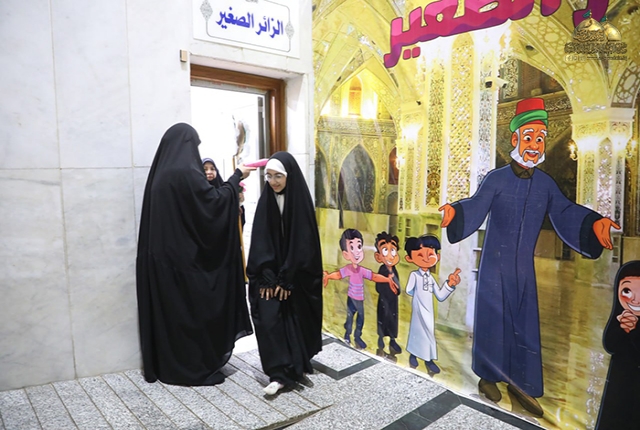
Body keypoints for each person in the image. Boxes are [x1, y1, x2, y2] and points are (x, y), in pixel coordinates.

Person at [439, 97, 620, 417]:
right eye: (529, 137)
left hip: (523, 268)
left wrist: (594, 224)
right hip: (494, 266)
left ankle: (521, 383)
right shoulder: (496, 179)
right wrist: (456, 212)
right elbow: (476, 204)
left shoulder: (545, 184)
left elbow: (565, 212)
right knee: (493, 319)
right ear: (515, 139)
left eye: (540, 139)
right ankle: (489, 376)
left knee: (523, 323)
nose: (535, 145)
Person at [136, 123, 255, 386]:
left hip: (163, 263)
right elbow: (212, 204)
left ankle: (170, 366)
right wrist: (237, 176)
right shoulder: (186, 173)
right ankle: (192, 369)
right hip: (187, 263)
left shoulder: (160, 174)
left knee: (173, 315)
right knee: (193, 313)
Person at [247, 152, 324, 396]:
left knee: (296, 317)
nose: (273, 181)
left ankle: (295, 367)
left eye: (278, 176)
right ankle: (278, 374)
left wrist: (288, 277)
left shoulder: (300, 203)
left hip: (296, 273)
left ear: (289, 175)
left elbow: (304, 244)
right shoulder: (266, 201)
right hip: (269, 274)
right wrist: (268, 274)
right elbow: (260, 240)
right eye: (268, 176)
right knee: (268, 318)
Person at [323, 229, 398, 349]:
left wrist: (387, 280)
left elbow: (374, 276)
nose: (356, 252)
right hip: (351, 299)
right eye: (352, 248)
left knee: (360, 319)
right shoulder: (348, 269)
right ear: (346, 254)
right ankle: (347, 334)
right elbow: (338, 274)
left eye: (359, 247)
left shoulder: (362, 270)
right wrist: (328, 276)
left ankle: (357, 336)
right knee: (350, 318)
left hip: (360, 300)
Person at [404, 235, 460, 374]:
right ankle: (413, 355)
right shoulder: (414, 276)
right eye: (420, 255)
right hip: (418, 310)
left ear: (437, 257)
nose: (426, 258)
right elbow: (409, 290)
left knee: (429, 334)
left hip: (429, 311)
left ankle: (429, 360)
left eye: (430, 254)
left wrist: (450, 284)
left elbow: (440, 295)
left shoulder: (430, 278)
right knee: (416, 332)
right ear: (410, 258)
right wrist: (419, 297)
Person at [595, 260, 640, 429]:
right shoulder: (620, 317)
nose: (635, 300)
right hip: (620, 378)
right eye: (627, 291)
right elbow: (610, 345)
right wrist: (622, 329)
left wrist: (634, 331)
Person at [373, 232, 402, 355]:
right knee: (383, 319)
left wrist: (396, 289)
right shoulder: (382, 269)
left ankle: (392, 341)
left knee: (392, 321)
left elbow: (398, 286)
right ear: (379, 256)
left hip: (393, 301)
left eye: (393, 251)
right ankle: (381, 339)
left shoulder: (394, 270)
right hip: (384, 300)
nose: (390, 255)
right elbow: (378, 286)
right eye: (385, 251)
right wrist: (386, 287)